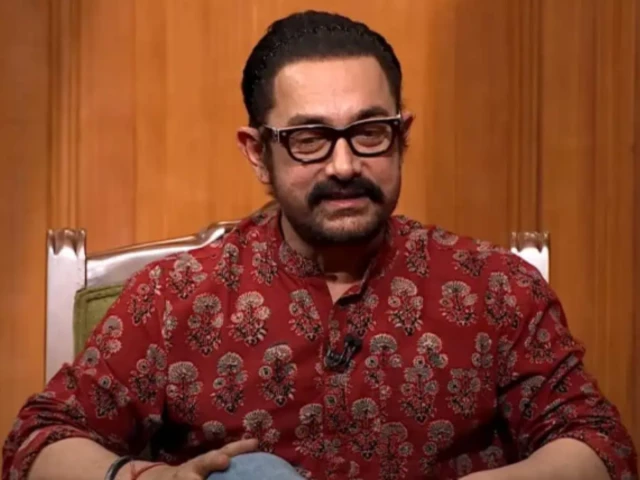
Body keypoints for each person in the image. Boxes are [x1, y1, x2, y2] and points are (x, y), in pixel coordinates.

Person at [2, 9, 637, 480]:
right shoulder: (175, 297)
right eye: (308, 139)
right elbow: (39, 440)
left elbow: (597, 442)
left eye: (370, 132)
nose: (343, 165)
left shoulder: (495, 288)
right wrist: (136, 478)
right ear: (258, 152)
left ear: (401, 135)